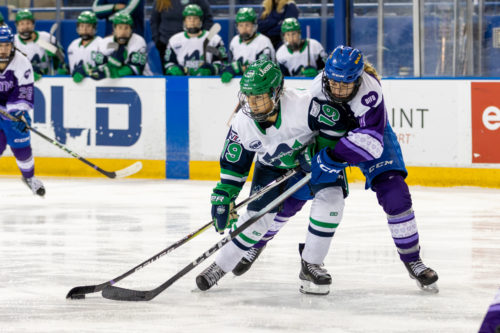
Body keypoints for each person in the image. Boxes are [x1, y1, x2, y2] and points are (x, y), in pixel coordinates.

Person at [232, 45, 440, 293]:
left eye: (346, 84)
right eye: (334, 82)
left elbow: (371, 142)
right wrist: (311, 156)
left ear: (357, 79)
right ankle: (258, 241)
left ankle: (412, 260)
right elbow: (309, 127)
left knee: (395, 192)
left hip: (367, 138)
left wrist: (330, 158)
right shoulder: (317, 86)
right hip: (329, 138)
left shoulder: (370, 91)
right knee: (294, 194)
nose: (338, 89)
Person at [195, 59, 352, 295]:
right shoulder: (242, 123)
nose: (253, 103)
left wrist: (320, 152)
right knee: (257, 219)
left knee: (332, 201)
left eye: (260, 96)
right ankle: (219, 266)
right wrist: (223, 195)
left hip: (315, 165)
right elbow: (234, 164)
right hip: (270, 167)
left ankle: (311, 263)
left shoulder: (303, 105)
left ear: (276, 92)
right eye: (249, 96)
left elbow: (339, 127)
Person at [0, 26, 45, 196]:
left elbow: (25, 91)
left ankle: (29, 178)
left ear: (12, 45)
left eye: (6, 45)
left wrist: (19, 113)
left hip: (11, 109)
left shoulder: (22, 62)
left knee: (22, 146)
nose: (3, 50)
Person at [164, 4, 226, 76]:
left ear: (200, 20)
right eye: (189, 18)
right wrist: (173, 69)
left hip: (208, 82)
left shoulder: (214, 39)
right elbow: (168, 63)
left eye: (195, 18)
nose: (192, 21)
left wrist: (212, 69)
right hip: (183, 81)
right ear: (185, 21)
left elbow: (223, 62)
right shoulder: (174, 41)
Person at [150, 0, 214, 70]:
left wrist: (202, 39)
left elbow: (208, 18)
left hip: (192, 44)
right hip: (165, 44)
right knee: (171, 73)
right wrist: (157, 41)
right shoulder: (160, 1)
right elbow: (154, 21)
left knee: (195, 73)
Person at [220, 7, 275, 84]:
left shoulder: (264, 42)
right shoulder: (234, 41)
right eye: (241, 25)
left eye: (247, 25)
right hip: (240, 84)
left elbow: (264, 69)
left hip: (263, 85)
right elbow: (230, 63)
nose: (244, 28)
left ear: (254, 26)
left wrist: (239, 69)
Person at [88, 12, 147, 80]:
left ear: (131, 29)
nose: (123, 32)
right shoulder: (106, 42)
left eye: (126, 28)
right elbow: (100, 65)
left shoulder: (138, 41)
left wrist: (116, 72)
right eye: (120, 27)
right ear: (114, 29)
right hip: (113, 83)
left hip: (142, 80)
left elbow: (136, 68)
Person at [13, 9, 68, 81]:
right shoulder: (12, 42)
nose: (25, 27)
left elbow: (62, 58)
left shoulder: (47, 38)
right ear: (17, 26)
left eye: (28, 23)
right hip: (21, 83)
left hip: (45, 82)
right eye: (22, 24)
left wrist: (56, 53)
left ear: (33, 24)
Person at [67, 11, 104, 83]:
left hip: (95, 84)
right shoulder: (72, 45)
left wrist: (87, 71)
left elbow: (104, 68)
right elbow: (72, 69)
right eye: (82, 26)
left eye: (88, 26)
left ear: (94, 27)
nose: (84, 29)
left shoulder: (102, 44)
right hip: (74, 85)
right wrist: (66, 70)